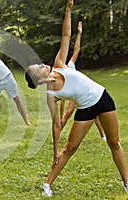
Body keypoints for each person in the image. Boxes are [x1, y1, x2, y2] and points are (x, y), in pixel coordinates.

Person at [24, 0, 128, 197]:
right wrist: (55, 150)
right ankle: (47, 185)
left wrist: (68, 9)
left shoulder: (59, 63)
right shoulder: (51, 95)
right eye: (38, 67)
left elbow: (66, 35)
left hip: (103, 98)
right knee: (69, 148)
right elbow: (56, 125)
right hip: (86, 109)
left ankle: (126, 182)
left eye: (39, 64)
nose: (42, 64)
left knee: (114, 143)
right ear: (38, 79)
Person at [59, 21, 106, 141]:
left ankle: (103, 135)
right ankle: (57, 134)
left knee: (95, 113)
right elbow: (62, 101)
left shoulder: (70, 65)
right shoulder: (60, 75)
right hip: (73, 95)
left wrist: (79, 33)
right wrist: (60, 116)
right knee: (68, 113)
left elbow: (76, 50)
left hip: (82, 93)